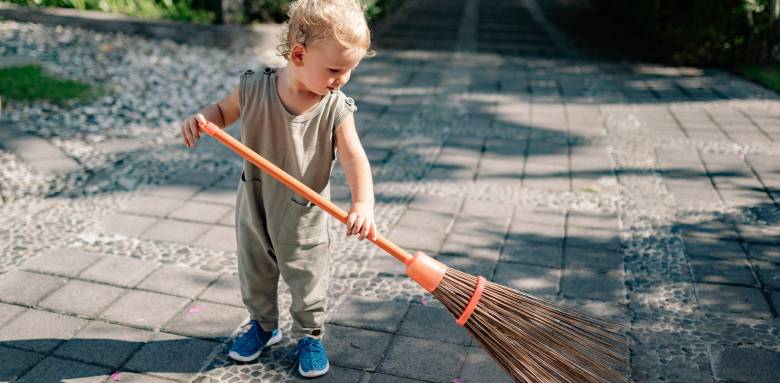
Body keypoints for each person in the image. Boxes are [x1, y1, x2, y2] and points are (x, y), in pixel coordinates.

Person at [178, 0, 376, 377]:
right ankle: (263, 326)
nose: (343, 79)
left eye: (350, 70)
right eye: (335, 69)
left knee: (307, 276)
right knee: (255, 271)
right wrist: (203, 117)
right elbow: (221, 112)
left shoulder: (334, 108)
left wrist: (363, 203)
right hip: (255, 203)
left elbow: (355, 159)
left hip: (303, 212)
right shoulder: (253, 89)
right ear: (299, 54)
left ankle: (310, 335)